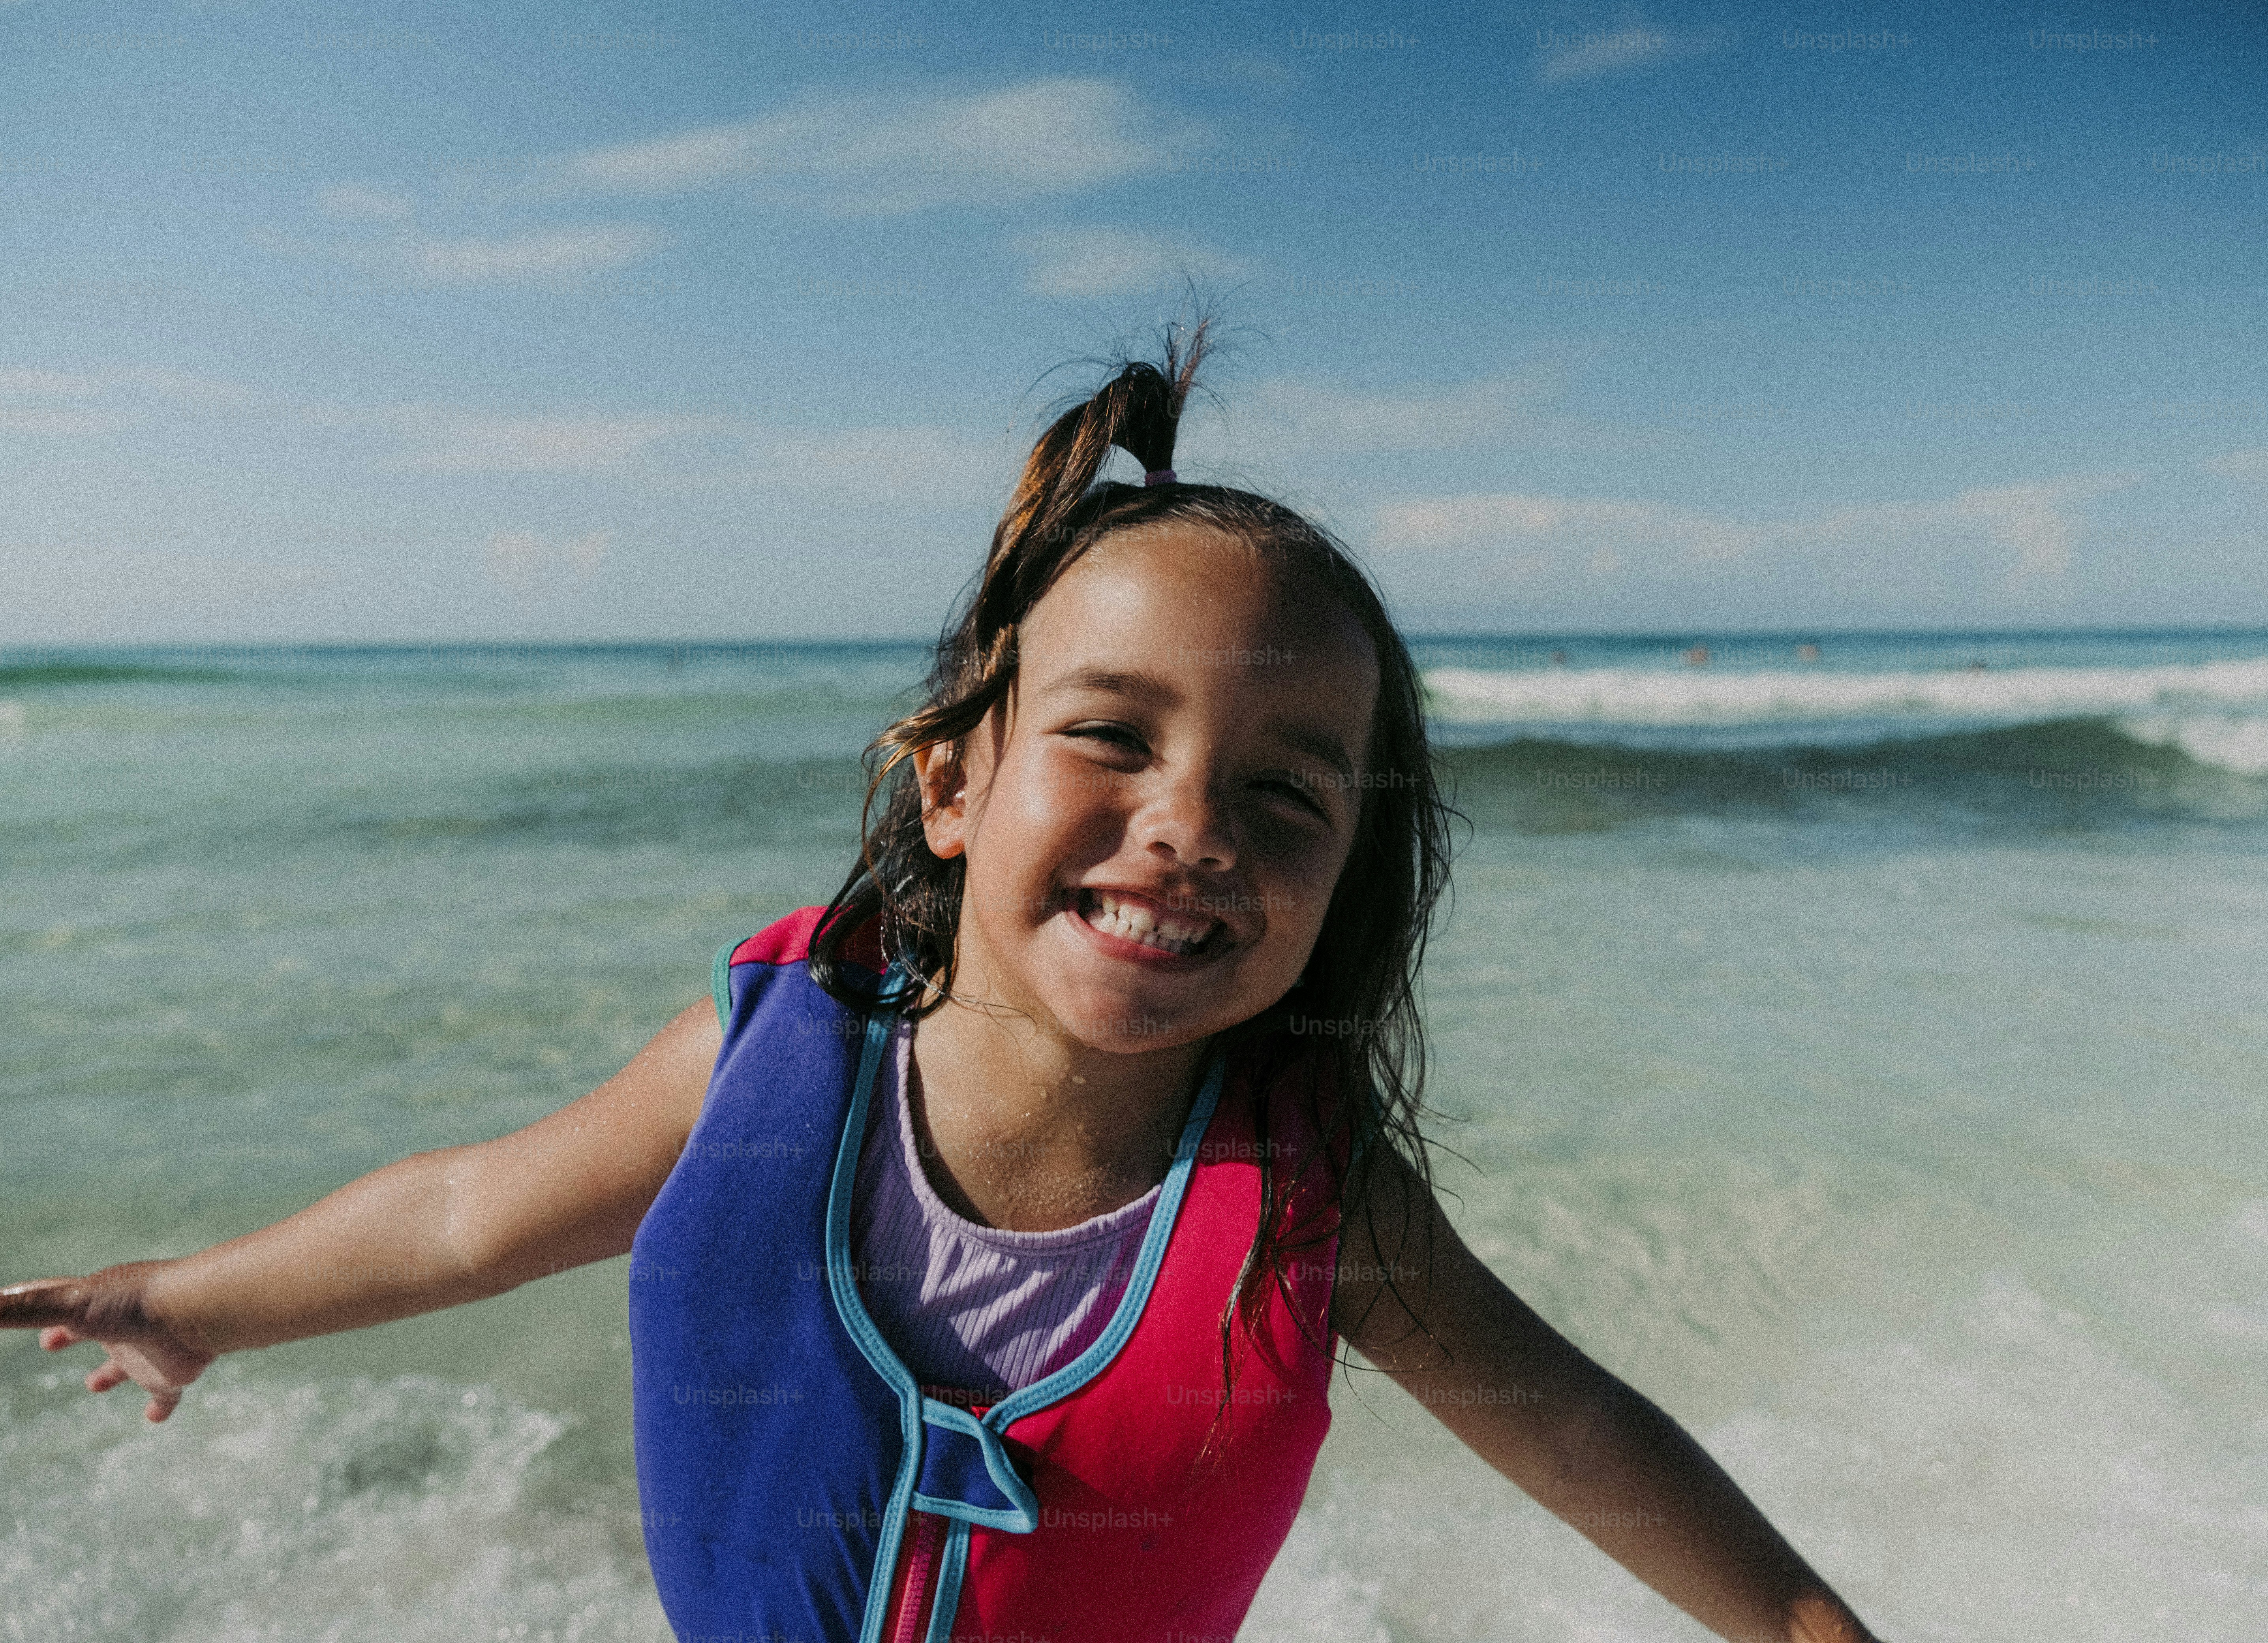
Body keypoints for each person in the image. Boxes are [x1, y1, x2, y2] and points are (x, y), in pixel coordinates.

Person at [3, 320, 1885, 1643]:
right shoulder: (760, 1068)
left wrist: (1809, 1622)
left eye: (1283, 792)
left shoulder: (1319, 1213)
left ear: (1345, 879)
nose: (1188, 824)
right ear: (956, 779)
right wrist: (192, 1301)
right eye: (1114, 737)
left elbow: (1576, 1427)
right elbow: (468, 1210)